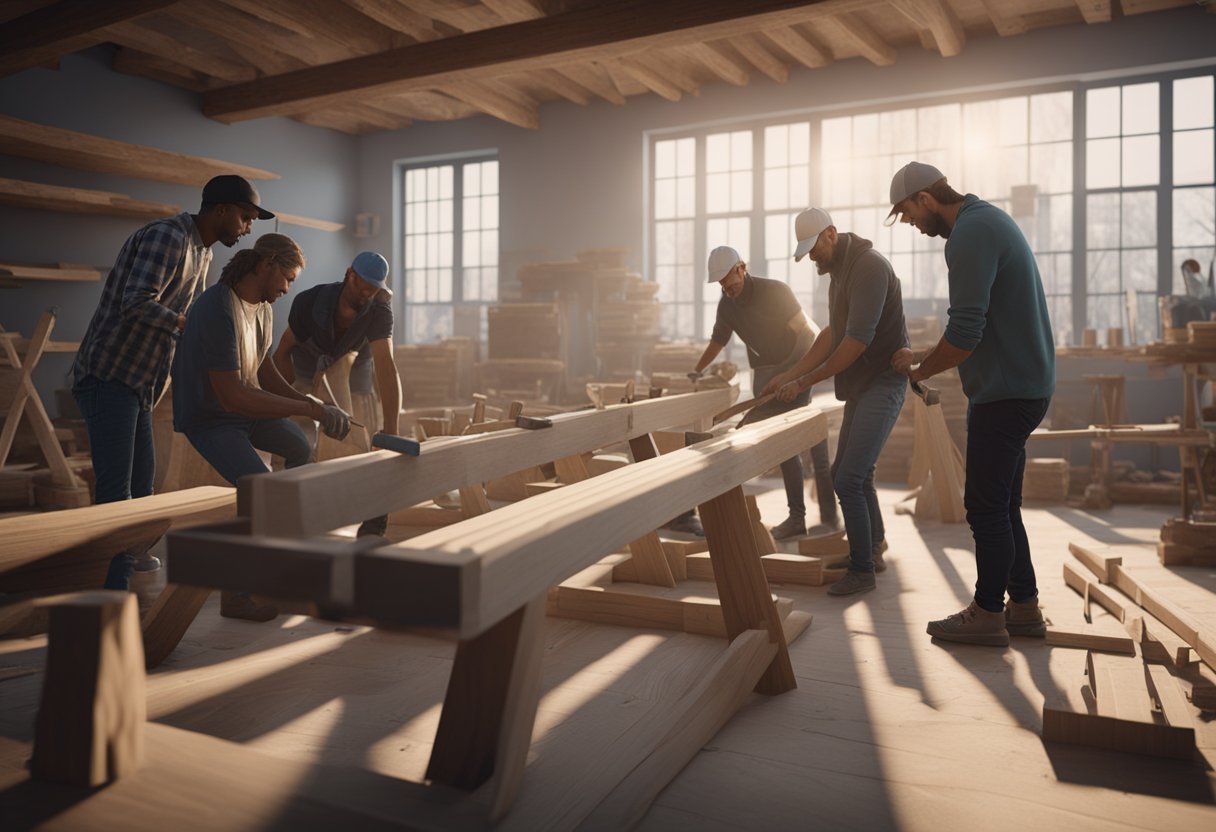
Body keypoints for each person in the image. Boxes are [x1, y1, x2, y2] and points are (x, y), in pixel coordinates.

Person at [72, 174, 273, 590]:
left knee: (143, 486)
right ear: (220, 210)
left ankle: (126, 567)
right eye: (245, 217)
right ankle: (108, 593)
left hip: (141, 384)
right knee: (116, 492)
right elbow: (136, 302)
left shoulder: (203, 253)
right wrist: (192, 327)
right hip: (110, 375)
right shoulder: (169, 237)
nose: (248, 227)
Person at [885, 161, 1055, 646]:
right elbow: (980, 325)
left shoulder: (970, 235)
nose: (913, 226)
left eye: (908, 214)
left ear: (924, 198)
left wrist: (922, 371)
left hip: (1006, 393)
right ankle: (1023, 606)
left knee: (982, 507)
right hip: (1024, 384)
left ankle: (987, 612)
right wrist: (922, 354)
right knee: (1005, 505)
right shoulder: (988, 220)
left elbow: (964, 334)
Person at [172, 233, 351, 620]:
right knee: (260, 486)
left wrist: (310, 403)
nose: (288, 288)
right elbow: (232, 396)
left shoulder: (264, 306)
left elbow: (263, 367)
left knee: (299, 449)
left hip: (241, 411)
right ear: (265, 264)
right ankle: (236, 594)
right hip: (210, 417)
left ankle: (282, 558)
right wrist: (310, 410)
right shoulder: (217, 308)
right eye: (286, 278)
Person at [762, 208, 909, 597]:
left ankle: (862, 569)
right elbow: (832, 334)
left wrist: (805, 381)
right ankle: (872, 548)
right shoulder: (840, 272)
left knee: (847, 478)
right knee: (853, 470)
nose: (812, 257)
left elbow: (855, 342)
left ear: (831, 234)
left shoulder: (868, 268)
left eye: (814, 248)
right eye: (806, 251)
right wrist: (791, 373)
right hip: (863, 385)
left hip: (883, 381)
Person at [693, 245, 840, 540]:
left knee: (809, 441)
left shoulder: (776, 292)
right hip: (764, 374)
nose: (727, 288)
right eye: (720, 284)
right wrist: (697, 370)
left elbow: (807, 335)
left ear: (742, 268)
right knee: (784, 447)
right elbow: (718, 341)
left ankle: (827, 517)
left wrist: (794, 377)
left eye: (729, 281)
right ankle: (798, 518)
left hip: (797, 362)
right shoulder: (727, 304)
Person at [271, 250, 401, 537]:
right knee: (295, 441)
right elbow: (282, 351)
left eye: (374, 287)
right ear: (349, 274)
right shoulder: (309, 302)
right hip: (305, 368)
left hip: (355, 371)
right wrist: (287, 400)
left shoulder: (379, 310)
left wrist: (391, 431)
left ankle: (373, 522)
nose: (367, 291)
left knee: (369, 447)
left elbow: (386, 367)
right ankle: (285, 512)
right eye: (362, 283)